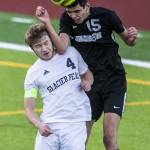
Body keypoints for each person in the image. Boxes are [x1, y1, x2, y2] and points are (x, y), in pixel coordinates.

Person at [35, 0, 138, 149]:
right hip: (88, 84)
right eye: (70, 12)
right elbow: (63, 47)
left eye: (77, 11)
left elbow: (128, 40)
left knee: (109, 138)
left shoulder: (107, 16)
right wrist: (47, 23)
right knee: (79, 139)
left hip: (114, 82)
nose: (73, 16)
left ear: (87, 5)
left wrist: (132, 37)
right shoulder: (66, 19)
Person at [24, 23, 94, 150]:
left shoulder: (71, 53)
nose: (44, 48)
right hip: (49, 125)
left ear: (51, 40)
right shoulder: (32, 74)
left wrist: (87, 82)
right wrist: (38, 124)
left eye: (46, 43)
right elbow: (29, 109)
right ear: (32, 48)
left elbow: (87, 75)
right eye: (38, 46)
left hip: (75, 123)